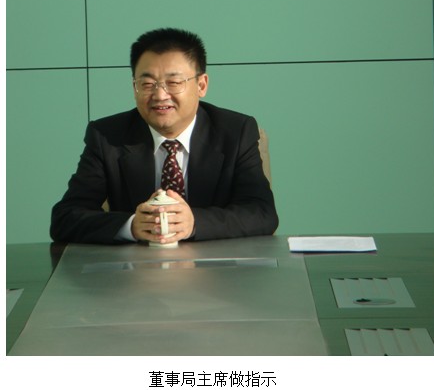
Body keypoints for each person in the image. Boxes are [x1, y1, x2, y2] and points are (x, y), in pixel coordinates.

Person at [50, 28, 278, 245]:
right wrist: (132, 226)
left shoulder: (236, 132)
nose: (160, 95)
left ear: (201, 85)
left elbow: (262, 213)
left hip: (217, 267)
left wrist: (194, 223)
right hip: (136, 269)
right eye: (147, 84)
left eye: (174, 83)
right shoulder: (108, 137)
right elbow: (65, 218)